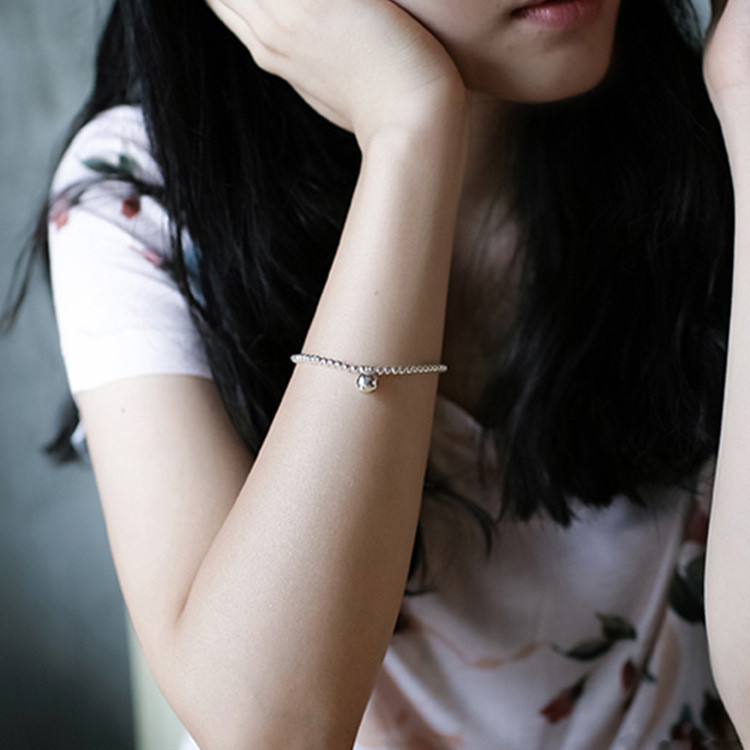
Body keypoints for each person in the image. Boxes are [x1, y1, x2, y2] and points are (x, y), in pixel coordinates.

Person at [2, 0, 750, 746]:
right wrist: (407, 133)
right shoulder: (140, 202)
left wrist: (747, 108)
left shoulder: (707, 108)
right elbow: (269, 733)